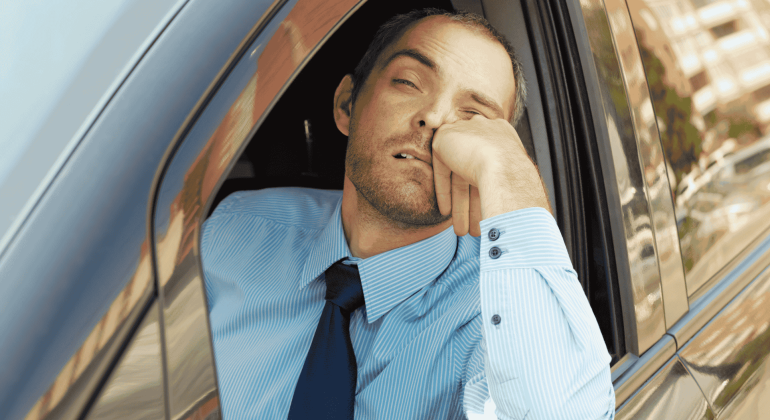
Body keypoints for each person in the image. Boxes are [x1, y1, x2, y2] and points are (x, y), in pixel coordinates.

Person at [202, 8, 615, 420]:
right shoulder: (235, 229)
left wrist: (511, 176)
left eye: (473, 115)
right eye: (409, 82)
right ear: (347, 104)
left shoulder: (497, 317)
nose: (434, 117)